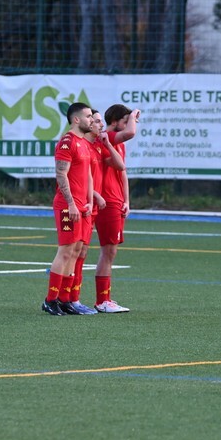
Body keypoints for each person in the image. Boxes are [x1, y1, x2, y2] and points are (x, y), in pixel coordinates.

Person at [70, 110, 125, 315]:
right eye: (95, 120)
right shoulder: (76, 144)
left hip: (90, 206)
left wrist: (108, 144)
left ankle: (72, 299)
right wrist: (94, 196)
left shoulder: (97, 147)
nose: (100, 125)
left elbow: (121, 167)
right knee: (73, 251)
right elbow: (71, 177)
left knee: (81, 251)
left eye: (100, 121)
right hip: (78, 205)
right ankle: (65, 299)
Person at [41, 103, 94, 316]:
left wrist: (88, 202)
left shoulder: (84, 142)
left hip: (81, 205)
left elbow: (86, 175)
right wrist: (71, 203)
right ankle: (50, 300)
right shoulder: (67, 142)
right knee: (65, 251)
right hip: (67, 205)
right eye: (88, 116)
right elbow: (61, 174)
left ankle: (64, 300)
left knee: (75, 251)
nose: (92, 119)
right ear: (76, 119)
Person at [93, 104, 141, 313]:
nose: (129, 124)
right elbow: (130, 133)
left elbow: (122, 172)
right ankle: (102, 300)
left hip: (116, 200)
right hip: (107, 201)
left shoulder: (116, 143)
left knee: (110, 251)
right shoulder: (109, 137)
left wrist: (127, 200)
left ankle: (104, 299)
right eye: (125, 120)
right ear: (114, 122)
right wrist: (135, 114)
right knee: (108, 250)